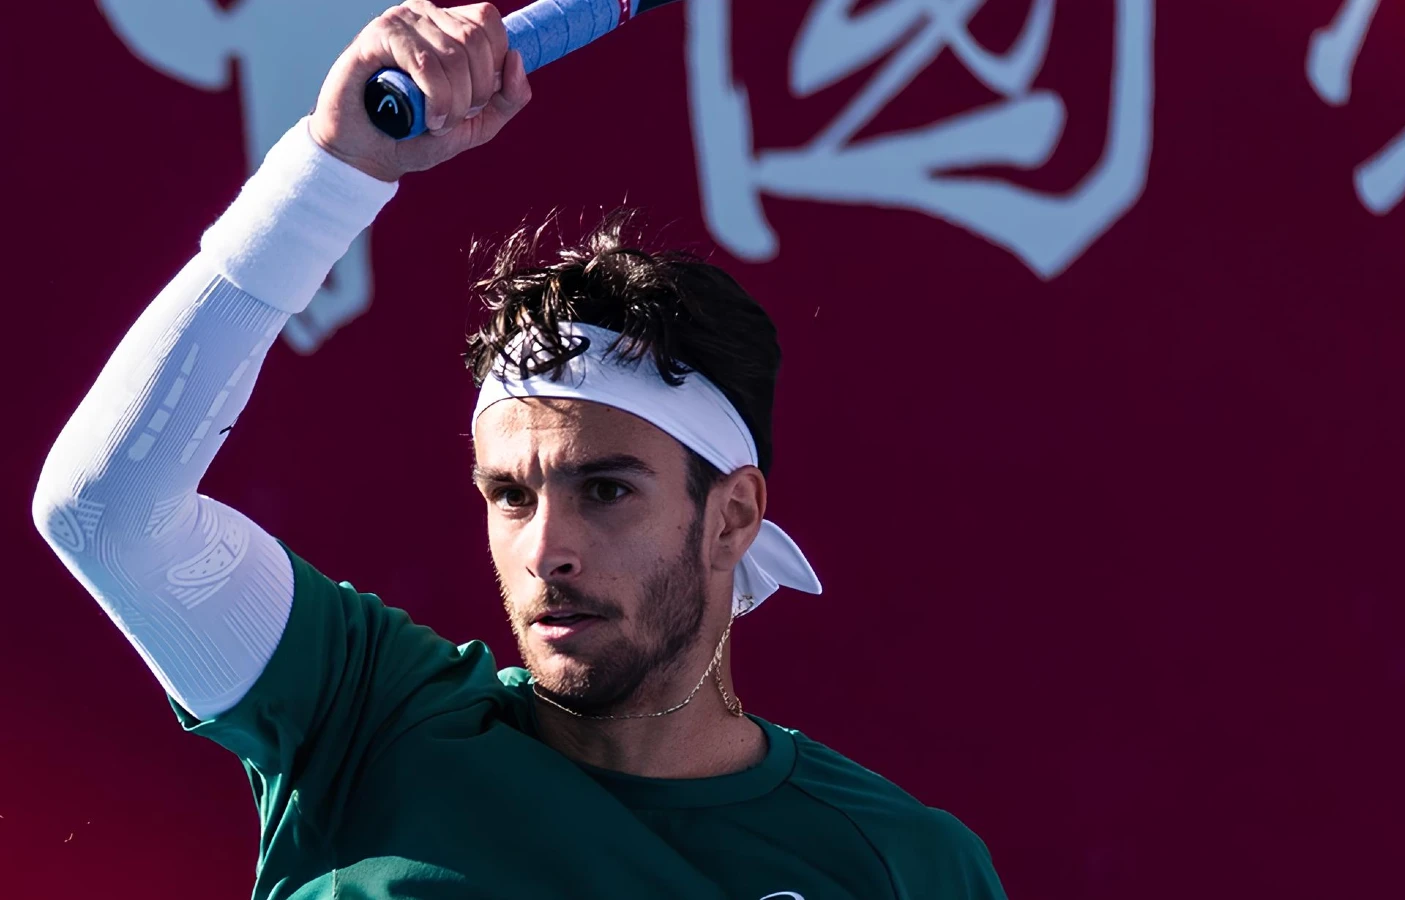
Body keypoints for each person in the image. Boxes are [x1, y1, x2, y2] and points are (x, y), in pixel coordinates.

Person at [31, 2, 1005, 898]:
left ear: (733, 516)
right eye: (509, 494)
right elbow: (104, 513)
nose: (544, 550)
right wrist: (333, 170)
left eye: (605, 490)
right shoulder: (363, 710)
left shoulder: (908, 867)